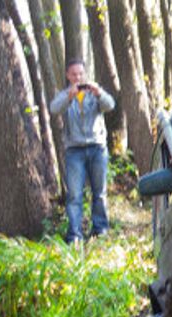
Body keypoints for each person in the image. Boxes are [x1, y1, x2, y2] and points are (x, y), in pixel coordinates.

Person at [50, 59, 116, 245]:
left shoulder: (94, 93)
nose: (78, 78)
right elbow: (54, 109)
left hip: (97, 148)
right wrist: (69, 97)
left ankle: (100, 230)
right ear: (68, 76)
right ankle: (75, 235)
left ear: (85, 74)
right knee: (74, 195)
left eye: (81, 74)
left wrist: (99, 93)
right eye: (74, 74)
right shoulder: (65, 95)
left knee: (99, 192)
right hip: (74, 151)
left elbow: (110, 105)